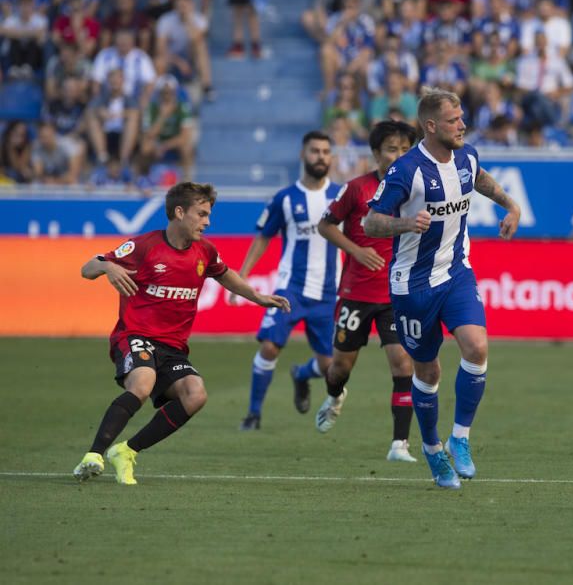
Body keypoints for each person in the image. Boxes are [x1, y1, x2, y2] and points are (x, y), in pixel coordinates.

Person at [72, 182, 290, 485]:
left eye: (208, 215)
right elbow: (88, 267)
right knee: (143, 381)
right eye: (201, 214)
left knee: (195, 394)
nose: (207, 222)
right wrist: (108, 268)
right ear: (179, 212)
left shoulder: (205, 251)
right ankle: (94, 455)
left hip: (173, 347)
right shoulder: (144, 246)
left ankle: (126, 451)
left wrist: (260, 298)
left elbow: (227, 277)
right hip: (134, 335)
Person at [365, 88, 521, 488]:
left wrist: (510, 205)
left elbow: (479, 179)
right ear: (431, 126)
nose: (463, 125)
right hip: (412, 285)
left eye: (462, 117)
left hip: (456, 272)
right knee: (428, 371)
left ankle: (460, 439)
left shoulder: (466, 155)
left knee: (477, 347)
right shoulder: (407, 170)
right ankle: (433, 450)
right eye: (454, 120)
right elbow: (371, 223)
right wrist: (405, 224)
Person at [316, 120, 419, 462]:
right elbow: (325, 225)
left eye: (406, 149)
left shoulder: (416, 191)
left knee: (403, 364)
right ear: (376, 154)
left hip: (396, 294)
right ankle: (334, 396)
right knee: (340, 368)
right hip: (356, 293)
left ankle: (399, 445)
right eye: (392, 149)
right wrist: (356, 250)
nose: (400, 155)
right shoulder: (356, 189)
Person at [229, 131, 342, 431]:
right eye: (315, 151)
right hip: (289, 289)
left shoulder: (342, 196)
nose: (320, 156)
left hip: (329, 294)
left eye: (325, 152)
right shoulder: (285, 198)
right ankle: (253, 414)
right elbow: (263, 239)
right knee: (269, 346)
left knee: (331, 366)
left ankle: (302, 375)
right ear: (303, 155)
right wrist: (241, 279)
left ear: (332, 157)